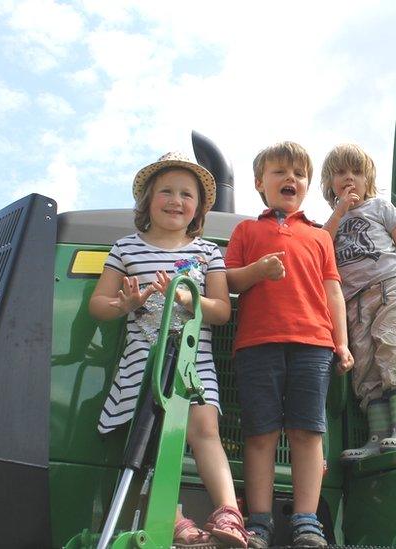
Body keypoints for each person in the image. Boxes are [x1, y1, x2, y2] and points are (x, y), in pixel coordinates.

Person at [89, 151, 247, 548]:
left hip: (193, 359)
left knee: (204, 429)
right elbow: (99, 305)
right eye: (166, 192)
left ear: (198, 208)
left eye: (186, 194)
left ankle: (229, 513)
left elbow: (221, 311)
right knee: (153, 434)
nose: (176, 200)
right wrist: (124, 305)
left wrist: (186, 299)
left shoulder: (208, 252)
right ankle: (170, 517)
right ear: (147, 201)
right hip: (144, 358)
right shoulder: (125, 248)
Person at [225, 142, 353, 548]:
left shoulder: (319, 237)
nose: (290, 179)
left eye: (299, 174)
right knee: (260, 433)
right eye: (280, 171)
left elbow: (333, 293)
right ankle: (259, 521)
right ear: (260, 183)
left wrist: (342, 343)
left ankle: (306, 520)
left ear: (308, 185)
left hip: (313, 345)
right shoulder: (247, 230)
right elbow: (228, 281)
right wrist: (257, 270)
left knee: (308, 432)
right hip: (257, 343)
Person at [320, 143, 396, 463]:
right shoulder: (332, 220)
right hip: (353, 302)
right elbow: (320, 248)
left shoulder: (381, 207)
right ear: (330, 183)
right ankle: (377, 436)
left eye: (356, 172)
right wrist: (340, 210)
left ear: (368, 179)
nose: (349, 178)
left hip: (388, 288)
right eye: (340, 173)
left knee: (392, 347)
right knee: (366, 368)